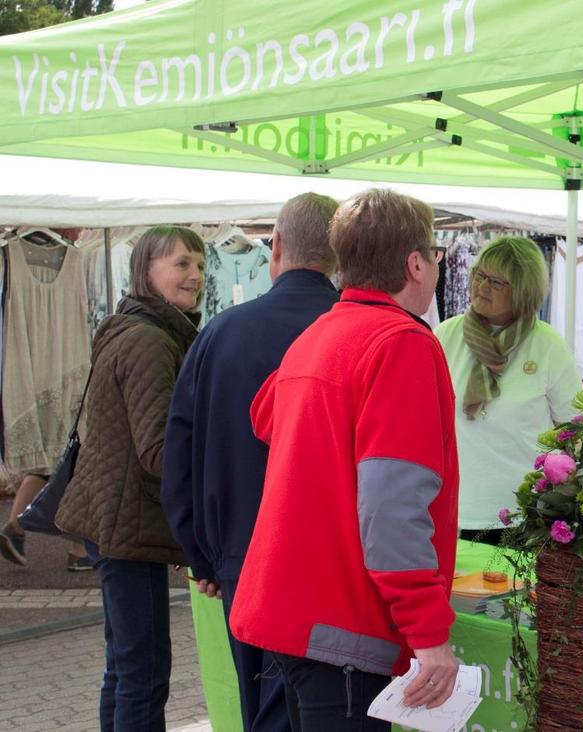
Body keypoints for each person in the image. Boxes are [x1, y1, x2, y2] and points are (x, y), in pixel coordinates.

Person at [229, 189, 460, 730]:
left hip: (293, 610)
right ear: (415, 263)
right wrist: (429, 635)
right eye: (435, 252)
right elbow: (392, 506)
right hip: (345, 627)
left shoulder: (321, 333)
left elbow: (264, 415)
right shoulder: (402, 343)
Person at [161, 194, 340, 731]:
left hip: (242, 559)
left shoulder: (219, 333)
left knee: (260, 710)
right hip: (329, 567)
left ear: (276, 247)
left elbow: (180, 457)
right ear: (338, 256)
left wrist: (203, 556)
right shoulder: (359, 332)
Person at [54, 226, 205, 731]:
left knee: (124, 667)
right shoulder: (148, 340)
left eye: (200, 265)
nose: (196, 276)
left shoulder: (137, 327)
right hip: (126, 527)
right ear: (147, 271)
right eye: (181, 264)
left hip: (113, 520)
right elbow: (159, 451)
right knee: (143, 673)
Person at [434, 237, 582, 543]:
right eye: (479, 275)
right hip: (457, 510)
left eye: (497, 282)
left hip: (525, 515)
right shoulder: (446, 335)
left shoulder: (547, 345)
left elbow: (575, 429)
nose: (482, 287)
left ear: (523, 290)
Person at [0, 226, 92, 571]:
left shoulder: (76, 258)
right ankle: (26, 530)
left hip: (42, 366)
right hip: (50, 365)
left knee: (64, 458)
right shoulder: (7, 256)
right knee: (72, 459)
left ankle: (29, 533)